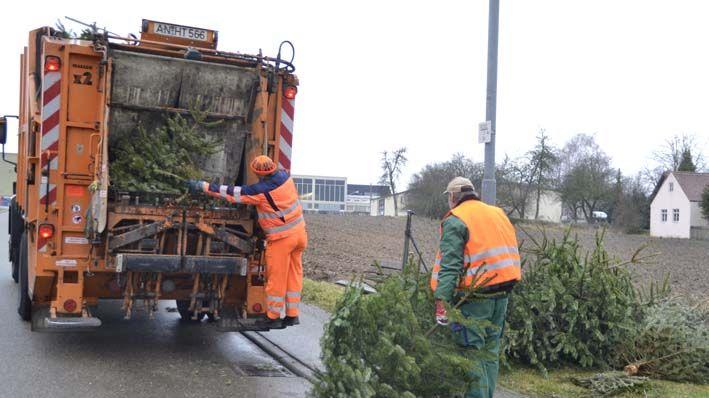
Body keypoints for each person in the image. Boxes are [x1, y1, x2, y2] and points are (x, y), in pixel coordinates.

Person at [187, 155, 307, 327]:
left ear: (258, 173)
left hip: (282, 239)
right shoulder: (286, 177)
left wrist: (204, 186)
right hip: (300, 235)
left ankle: (272, 316)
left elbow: (233, 193)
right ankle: (292, 314)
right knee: (294, 274)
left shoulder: (261, 190)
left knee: (277, 278)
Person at [430, 177, 521, 398]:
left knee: (472, 354)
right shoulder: (497, 213)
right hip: (502, 295)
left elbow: (450, 266)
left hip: (474, 299)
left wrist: (442, 301)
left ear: (453, 197)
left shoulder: (457, 219)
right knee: (490, 351)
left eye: (449, 198)